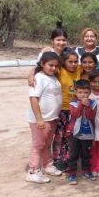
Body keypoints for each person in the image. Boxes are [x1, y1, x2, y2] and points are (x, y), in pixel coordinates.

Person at [26, 52, 63, 183]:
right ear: (42, 64)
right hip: (41, 119)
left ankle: (47, 165)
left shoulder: (53, 77)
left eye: (56, 66)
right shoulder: (39, 78)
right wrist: (39, 119)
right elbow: (33, 98)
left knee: (47, 143)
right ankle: (33, 171)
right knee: (38, 145)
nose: (53, 68)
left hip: (52, 118)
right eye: (50, 65)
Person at [66, 80, 98, 185]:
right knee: (73, 154)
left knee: (86, 154)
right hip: (74, 134)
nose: (83, 95)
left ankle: (86, 171)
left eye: (85, 92)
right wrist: (81, 105)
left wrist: (87, 106)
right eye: (80, 92)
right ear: (75, 92)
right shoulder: (73, 103)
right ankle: (72, 173)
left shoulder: (93, 103)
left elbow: (91, 116)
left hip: (87, 134)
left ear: (90, 92)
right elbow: (75, 115)